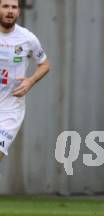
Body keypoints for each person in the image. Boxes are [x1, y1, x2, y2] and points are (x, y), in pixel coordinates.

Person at [0, 0, 50, 161]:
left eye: (14, 7)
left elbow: (45, 65)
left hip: (10, 110)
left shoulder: (27, 38)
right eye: (5, 6)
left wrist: (30, 81)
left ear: (19, 11)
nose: (10, 11)